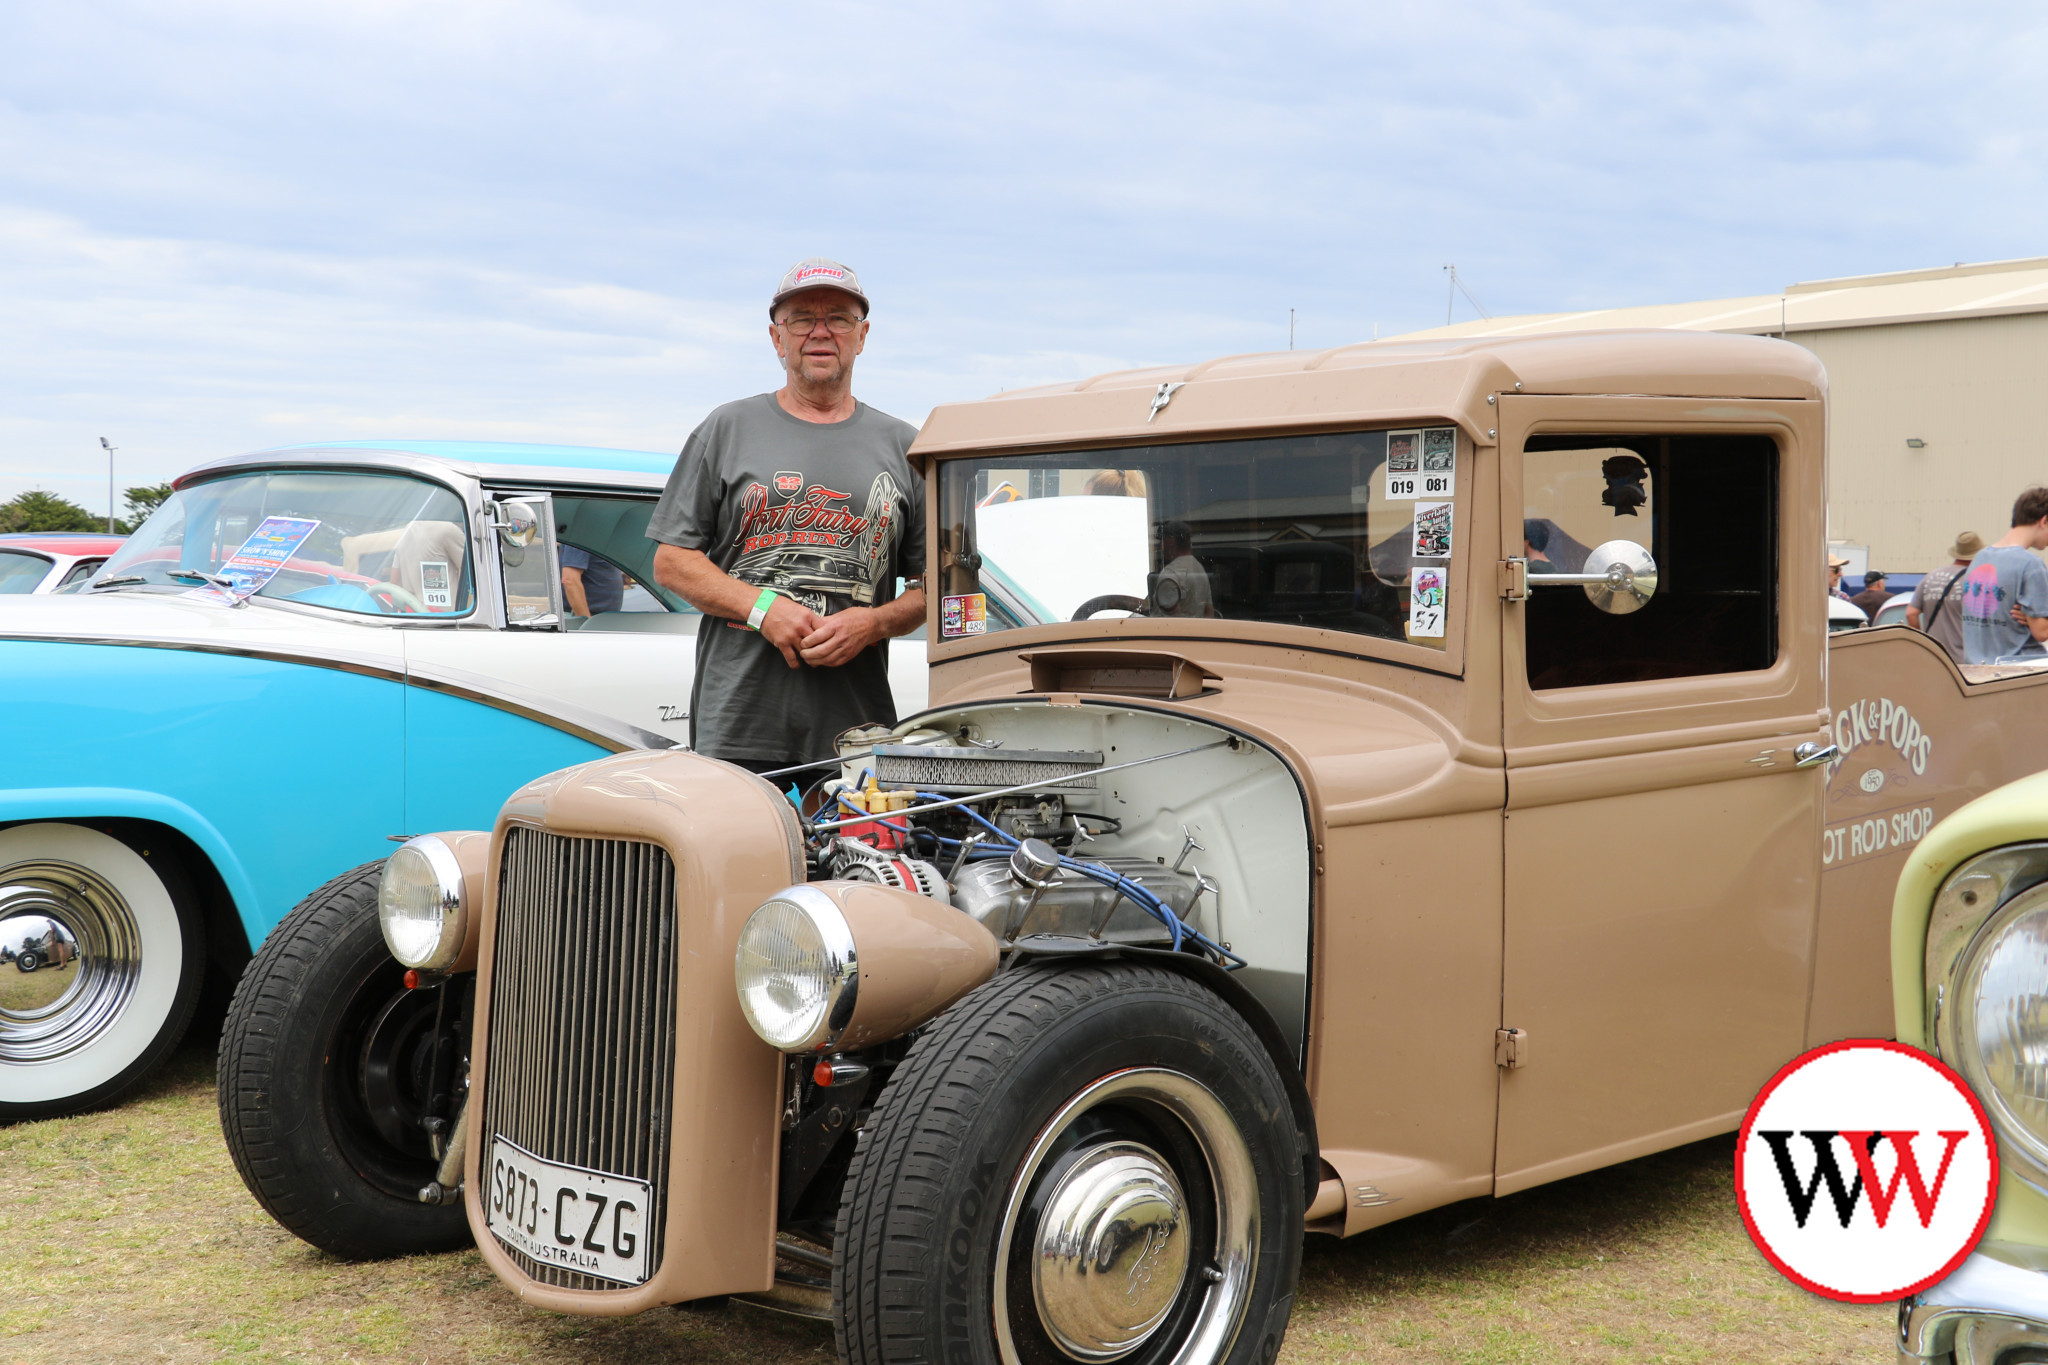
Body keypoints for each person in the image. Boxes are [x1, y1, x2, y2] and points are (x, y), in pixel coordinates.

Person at [648, 258, 924, 771]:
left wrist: (874, 622)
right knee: (737, 848)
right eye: (802, 319)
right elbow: (671, 560)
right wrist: (764, 609)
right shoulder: (727, 428)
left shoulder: (904, 447)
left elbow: (938, 587)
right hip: (738, 717)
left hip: (853, 722)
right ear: (778, 338)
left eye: (839, 318)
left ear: (861, 336)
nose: (821, 332)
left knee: (857, 852)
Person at [1960, 487, 2048, 665]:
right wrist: (2035, 619)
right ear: (2044, 521)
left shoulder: (1979, 558)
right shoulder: (2031, 565)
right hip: (2020, 671)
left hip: (1978, 670)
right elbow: (2042, 631)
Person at [1906, 532, 1983, 665]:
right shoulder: (1975, 581)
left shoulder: (1931, 576)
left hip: (1933, 656)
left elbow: (1911, 613)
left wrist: (1922, 642)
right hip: (1963, 660)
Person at [1153, 521, 1215, 617]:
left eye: (1162, 540)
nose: (1160, 546)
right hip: (1196, 631)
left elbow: (1169, 620)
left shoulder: (1170, 573)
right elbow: (1209, 611)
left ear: (1170, 541)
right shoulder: (1199, 569)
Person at [559, 544, 624, 617]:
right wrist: (585, 622)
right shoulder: (582, 536)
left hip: (599, 619)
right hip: (589, 618)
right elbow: (569, 580)